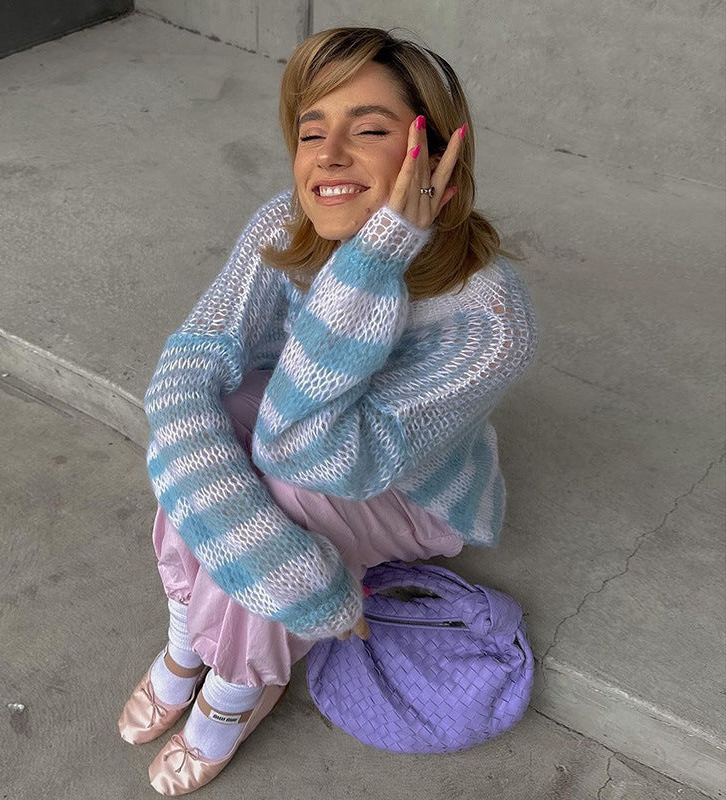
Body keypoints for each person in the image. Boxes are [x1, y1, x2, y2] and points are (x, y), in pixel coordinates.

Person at [118, 26, 538, 796]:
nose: (328, 155)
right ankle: (188, 638)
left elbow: (308, 453)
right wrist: (302, 587)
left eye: (368, 129)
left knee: (287, 492)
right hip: (306, 430)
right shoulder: (284, 225)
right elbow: (180, 381)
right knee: (207, 426)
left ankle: (233, 692)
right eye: (312, 131)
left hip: (405, 488)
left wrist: (375, 258)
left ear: (437, 156)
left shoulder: (490, 320)